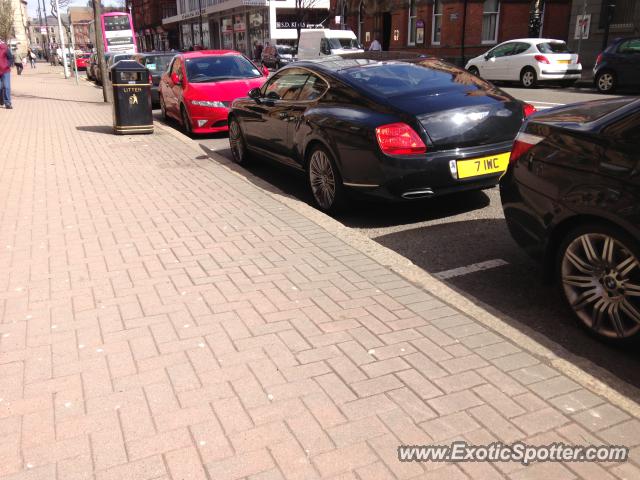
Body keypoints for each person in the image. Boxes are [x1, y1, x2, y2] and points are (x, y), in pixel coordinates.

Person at [0, 39, 13, 109]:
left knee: (6, 86)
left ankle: (7, 103)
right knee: (0, 87)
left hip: (5, 71)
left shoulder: (5, 48)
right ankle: (1, 99)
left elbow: (11, 58)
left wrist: (7, 65)